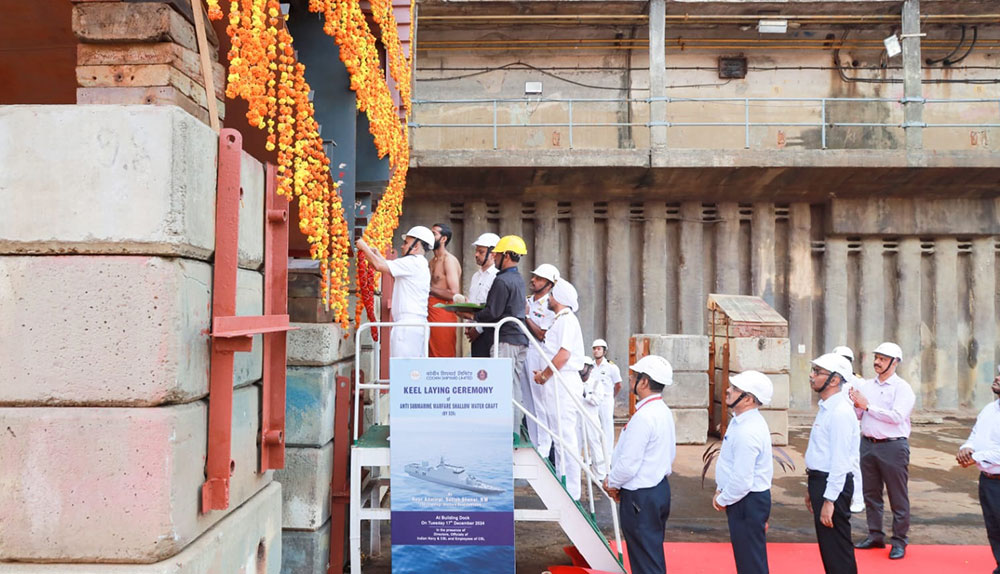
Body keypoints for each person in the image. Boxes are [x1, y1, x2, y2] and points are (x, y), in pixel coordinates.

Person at [602, 355, 676, 574]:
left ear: (645, 382)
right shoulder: (662, 411)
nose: (631, 380)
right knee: (651, 556)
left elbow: (628, 464)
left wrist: (612, 483)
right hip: (658, 490)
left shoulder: (644, 417)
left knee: (645, 561)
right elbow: (670, 453)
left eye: (634, 376)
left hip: (641, 496)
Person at [848, 341, 915, 560]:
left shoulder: (902, 388)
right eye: (876, 357)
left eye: (883, 359)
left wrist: (867, 406)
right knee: (871, 493)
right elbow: (860, 414)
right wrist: (855, 405)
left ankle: (899, 541)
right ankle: (875, 534)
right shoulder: (867, 386)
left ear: (895, 363)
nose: (877, 362)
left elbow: (897, 416)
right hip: (868, 443)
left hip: (893, 446)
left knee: (898, 496)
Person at [459, 235, 531, 434]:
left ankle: (504, 432)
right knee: (513, 387)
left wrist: (468, 314)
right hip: (519, 340)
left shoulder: (502, 280)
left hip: (506, 339)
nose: (495, 257)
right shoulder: (517, 278)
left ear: (506, 256)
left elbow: (493, 312)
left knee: (501, 387)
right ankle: (513, 431)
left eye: (497, 254)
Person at [713, 370, 774, 574]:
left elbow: (742, 480)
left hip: (747, 501)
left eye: (735, 389)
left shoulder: (749, 430)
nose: (728, 391)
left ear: (748, 399)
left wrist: (723, 499)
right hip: (743, 500)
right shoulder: (741, 421)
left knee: (751, 563)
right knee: (747, 559)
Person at [805, 352, 860, 574]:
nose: (812, 375)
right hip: (821, 482)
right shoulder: (827, 407)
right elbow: (821, 452)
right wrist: (812, 489)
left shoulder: (839, 412)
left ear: (835, 380)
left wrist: (830, 499)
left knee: (837, 549)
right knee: (829, 548)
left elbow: (840, 461)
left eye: (818, 372)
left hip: (832, 485)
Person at [531, 279, 585, 500]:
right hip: (556, 382)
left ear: (559, 298)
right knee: (559, 435)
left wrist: (544, 375)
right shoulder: (559, 320)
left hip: (562, 381)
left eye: (552, 295)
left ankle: (571, 491)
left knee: (565, 437)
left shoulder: (566, 320)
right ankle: (565, 484)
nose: (549, 299)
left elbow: (563, 355)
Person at [355, 226, 432, 358]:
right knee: (413, 373)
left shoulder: (412, 262)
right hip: (414, 325)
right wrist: (374, 253)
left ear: (416, 246)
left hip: (407, 326)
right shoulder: (419, 263)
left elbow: (379, 266)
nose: (402, 247)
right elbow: (385, 265)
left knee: (403, 371)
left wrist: (363, 246)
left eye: (406, 243)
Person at [957, 367, 1000, 574]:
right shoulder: (989, 409)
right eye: (999, 373)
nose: (997, 377)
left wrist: (975, 457)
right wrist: (966, 448)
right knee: (994, 530)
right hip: (988, 481)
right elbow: (975, 435)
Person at [524, 263, 560, 456]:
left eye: (538, 279)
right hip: (525, 352)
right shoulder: (528, 300)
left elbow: (541, 334)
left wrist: (526, 315)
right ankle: (534, 442)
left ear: (549, 284)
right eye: (534, 277)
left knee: (540, 402)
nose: (533, 280)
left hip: (540, 353)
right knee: (528, 401)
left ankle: (544, 448)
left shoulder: (550, 305)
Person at [832, 345, 865, 515]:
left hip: (850, 426)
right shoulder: (833, 380)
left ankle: (858, 498)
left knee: (852, 463)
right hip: (834, 425)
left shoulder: (857, 381)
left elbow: (863, 406)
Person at [427, 223, 461, 357]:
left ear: (443, 239)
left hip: (443, 313)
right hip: (430, 312)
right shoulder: (432, 261)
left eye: (434, 234)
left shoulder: (449, 260)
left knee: (443, 352)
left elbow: (454, 293)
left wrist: (428, 289)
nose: (430, 236)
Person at [465, 233, 500, 358]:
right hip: (475, 332)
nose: (476, 254)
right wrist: (468, 324)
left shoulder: (497, 276)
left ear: (493, 253)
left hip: (489, 331)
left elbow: (493, 308)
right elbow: (474, 302)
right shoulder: (476, 276)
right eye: (476, 251)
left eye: (481, 251)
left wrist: (478, 329)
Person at [591, 339, 623, 451]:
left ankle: (608, 453)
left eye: (599, 349)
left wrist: (612, 396)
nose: (596, 351)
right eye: (594, 349)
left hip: (606, 399)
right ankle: (596, 453)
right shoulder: (590, 366)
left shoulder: (611, 367)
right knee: (594, 427)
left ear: (604, 351)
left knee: (607, 426)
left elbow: (618, 384)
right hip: (593, 400)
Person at [580, 356, 608, 480]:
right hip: (577, 418)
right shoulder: (575, 381)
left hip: (591, 418)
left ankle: (600, 475)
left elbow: (597, 400)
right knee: (575, 445)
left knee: (595, 446)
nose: (581, 369)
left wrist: (586, 395)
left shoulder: (596, 383)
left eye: (584, 366)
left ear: (590, 368)